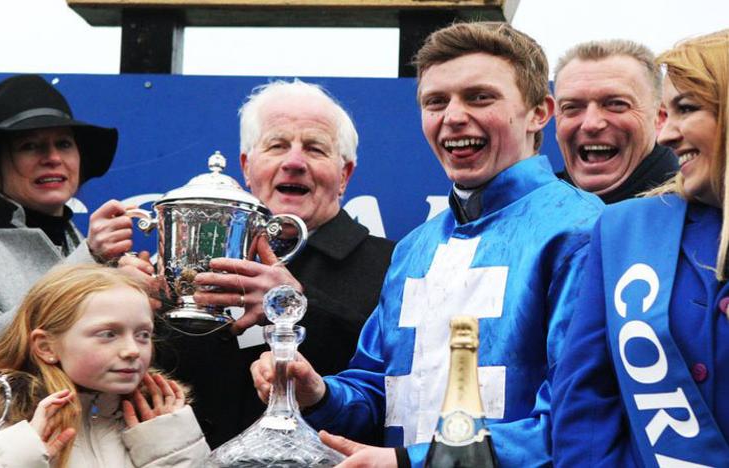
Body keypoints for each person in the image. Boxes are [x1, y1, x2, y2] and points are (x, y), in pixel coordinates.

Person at [250, 22, 603, 466]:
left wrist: (409, 463)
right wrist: (319, 392)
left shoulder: (582, 229)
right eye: (436, 101)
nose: (453, 117)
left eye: (479, 97)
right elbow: (378, 390)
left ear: (539, 112)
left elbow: (576, 424)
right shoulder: (414, 249)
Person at [151, 79, 395, 447]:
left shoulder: (393, 263)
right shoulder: (189, 264)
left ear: (345, 175)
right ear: (247, 167)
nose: (293, 162)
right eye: (277, 145)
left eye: (314, 149)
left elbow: (397, 385)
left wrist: (294, 306)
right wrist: (143, 315)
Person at [552, 30, 729, 467]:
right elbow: (585, 406)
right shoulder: (626, 230)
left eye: (686, 110)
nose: (667, 134)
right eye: (667, 113)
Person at [0, 264, 210, 467]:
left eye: (143, 334)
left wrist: (173, 451)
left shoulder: (159, 423)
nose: (132, 350)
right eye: (108, 334)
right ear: (46, 347)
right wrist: (15, 457)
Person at [0, 74, 137, 353]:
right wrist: (88, 259)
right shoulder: (88, 252)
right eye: (29, 146)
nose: (53, 158)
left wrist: (140, 299)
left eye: (64, 144)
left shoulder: (79, 243)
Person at [554, 39, 679, 203]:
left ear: (661, 118)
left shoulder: (714, 217)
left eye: (616, 104)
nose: (591, 124)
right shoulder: (525, 214)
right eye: (571, 107)